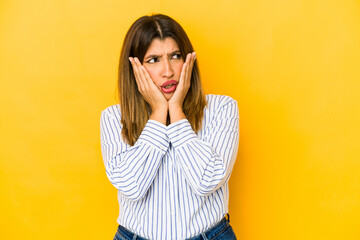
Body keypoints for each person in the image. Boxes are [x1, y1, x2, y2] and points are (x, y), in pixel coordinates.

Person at [100, 14, 239, 240]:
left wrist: (175, 109)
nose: (168, 71)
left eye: (175, 56)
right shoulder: (114, 118)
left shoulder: (222, 108)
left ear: (188, 60)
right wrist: (157, 113)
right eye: (153, 60)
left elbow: (208, 180)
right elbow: (131, 186)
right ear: (134, 68)